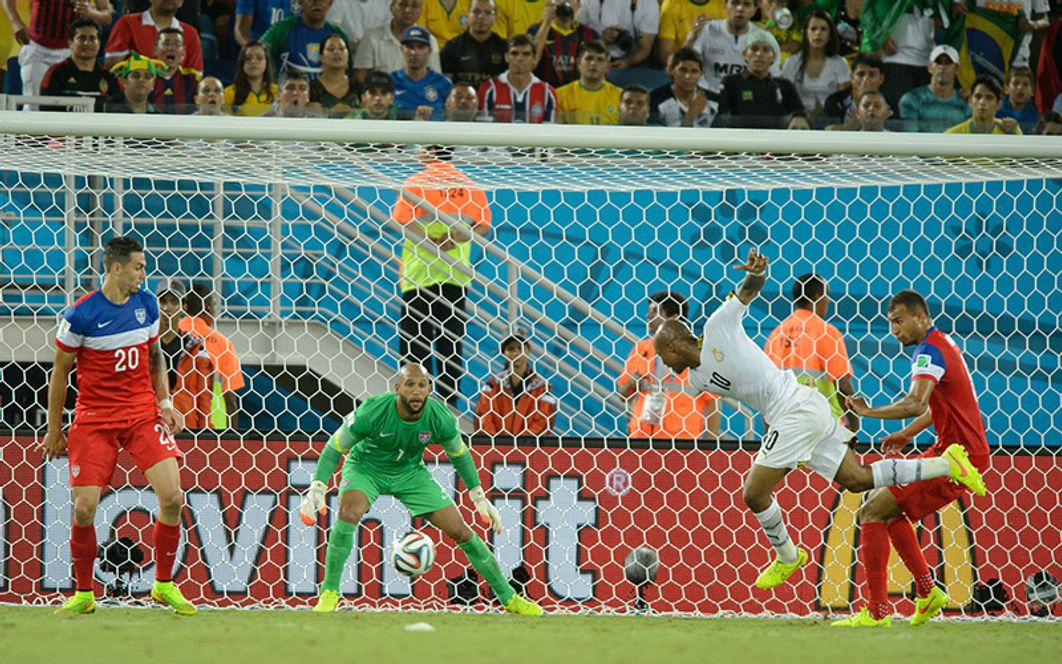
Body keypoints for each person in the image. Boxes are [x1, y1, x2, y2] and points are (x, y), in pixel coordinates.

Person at [652, 250, 985, 593]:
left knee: (754, 493)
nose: (662, 362)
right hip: (801, 409)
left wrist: (756, 274)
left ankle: (787, 556)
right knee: (857, 480)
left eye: (662, 354)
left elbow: (748, 291)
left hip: (794, 409)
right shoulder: (693, 378)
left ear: (675, 345)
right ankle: (946, 466)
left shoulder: (717, 328)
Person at [299, 363, 543, 615]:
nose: (416, 391)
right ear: (397, 388)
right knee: (349, 512)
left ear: (429, 389)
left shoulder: (440, 418)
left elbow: (459, 455)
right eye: (410, 384)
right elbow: (334, 447)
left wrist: (478, 497)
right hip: (366, 468)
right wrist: (317, 486)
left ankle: (508, 598)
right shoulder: (373, 410)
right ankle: (329, 593)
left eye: (422, 385)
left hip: (410, 473)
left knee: (460, 530)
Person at [45, 236, 195, 616]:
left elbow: (154, 356)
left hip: (142, 414)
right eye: (139, 267)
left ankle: (162, 586)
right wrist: (53, 429)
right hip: (94, 419)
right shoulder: (79, 316)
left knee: (174, 498)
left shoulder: (146, 305)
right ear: (116, 268)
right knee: (83, 508)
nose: (143, 275)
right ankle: (83, 594)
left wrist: (164, 403)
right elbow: (60, 374)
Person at [833, 289, 991, 627]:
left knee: (872, 509)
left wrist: (868, 411)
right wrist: (908, 434)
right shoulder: (942, 343)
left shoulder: (929, 350)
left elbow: (916, 403)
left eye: (898, 321)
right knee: (886, 510)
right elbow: (942, 405)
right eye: (890, 323)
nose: (893, 329)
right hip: (951, 450)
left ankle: (877, 613)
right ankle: (927, 590)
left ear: (920, 317)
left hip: (958, 459)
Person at [394, 146, 491, 407]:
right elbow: (483, 225)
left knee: (416, 347)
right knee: (450, 345)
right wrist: (455, 238)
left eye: (422, 148)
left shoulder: (415, 183)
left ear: (430, 152)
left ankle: (415, 405)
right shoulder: (470, 186)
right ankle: (448, 406)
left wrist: (430, 242)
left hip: (418, 276)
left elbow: (403, 221)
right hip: (455, 275)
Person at [619, 291, 720, 440]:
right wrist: (631, 383)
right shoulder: (641, 349)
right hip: (642, 437)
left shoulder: (698, 353)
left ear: (673, 318)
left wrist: (711, 447)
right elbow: (622, 394)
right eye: (649, 311)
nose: (648, 316)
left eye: (655, 311)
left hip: (682, 440)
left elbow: (713, 402)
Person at [764, 274, 858, 434]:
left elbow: (766, 390)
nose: (828, 300)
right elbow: (843, 384)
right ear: (816, 296)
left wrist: (769, 432)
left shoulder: (776, 334)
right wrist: (854, 424)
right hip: (824, 425)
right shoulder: (826, 332)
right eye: (826, 294)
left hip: (784, 426)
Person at [3, 0, 113, 99]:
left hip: (71, 54)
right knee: (34, 103)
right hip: (37, 48)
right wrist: (15, 22)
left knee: (69, 104)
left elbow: (107, 15)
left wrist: (90, 12)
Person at [179, 283, 245, 428]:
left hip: (174, 421)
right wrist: (232, 441)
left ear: (184, 308)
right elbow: (230, 398)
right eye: (214, 304)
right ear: (208, 307)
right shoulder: (222, 343)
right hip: (212, 429)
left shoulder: (171, 335)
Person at [157, 279, 217, 429]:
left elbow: (203, 395)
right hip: (151, 424)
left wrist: (205, 433)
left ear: (183, 307)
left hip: (186, 427)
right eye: (163, 301)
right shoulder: (145, 346)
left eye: (173, 302)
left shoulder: (196, 347)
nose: (168, 307)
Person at [714, 30, 801, 129]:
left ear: (773, 57)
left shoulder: (785, 86)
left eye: (766, 50)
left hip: (776, 142)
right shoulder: (731, 83)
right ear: (745, 55)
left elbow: (800, 117)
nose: (759, 54)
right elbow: (722, 119)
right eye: (754, 49)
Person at [684, 0, 774, 96]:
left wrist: (771, 21)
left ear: (754, 10)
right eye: (735, 3)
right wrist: (690, 41)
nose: (740, 9)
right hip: (708, 97)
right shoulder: (706, 30)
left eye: (747, 4)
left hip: (746, 98)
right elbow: (683, 63)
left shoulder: (761, 35)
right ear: (725, 5)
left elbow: (772, 75)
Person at [475, 335, 556, 435]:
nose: (516, 353)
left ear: (528, 351)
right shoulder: (492, 385)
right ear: (504, 353)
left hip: (529, 447)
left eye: (520, 348)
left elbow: (544, 420)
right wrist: (496, 442)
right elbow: (483, 414)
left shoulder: (542, 387)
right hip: (497, 446)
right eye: (510, 349)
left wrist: (523, 443)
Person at [39, 18, 119, 111]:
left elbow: (117, 110)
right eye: (82, 38)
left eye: (92, 38)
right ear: (70, 43)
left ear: (99, 44)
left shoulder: (109, 76)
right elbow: (46, 108)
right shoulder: (56, 73)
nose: (87, 43)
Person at [354, 0, 442, 83]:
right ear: (392, 7)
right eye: (403, 4)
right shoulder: (371, 38)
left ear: (420, 10)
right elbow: (361, 76)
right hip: (382, 94)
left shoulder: (429, 40)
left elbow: (435, 78)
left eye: (415, 6)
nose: (408, 10)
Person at [779, 10, 848, 117]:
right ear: (806, 33)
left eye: (823, 29)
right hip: (798, 119)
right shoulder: (792, 61)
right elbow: (786, 97)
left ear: (830, 35)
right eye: (813, 29)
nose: (818, 33)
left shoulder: (839, 63)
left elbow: (843, 100)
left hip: (830, 119)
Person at [478, 33, 557, 123]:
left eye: (526, 54)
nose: (519, 58)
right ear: (506, 57)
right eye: (514, 53)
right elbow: (486, 130)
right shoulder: (489, 89)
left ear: (534, 59)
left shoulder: (547, 93)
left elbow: (548, 132)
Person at [260, 0, 351, 79]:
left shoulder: (339, 35)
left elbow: (349, 71)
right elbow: (256, 54)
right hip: (287, 95)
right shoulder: (283, 29)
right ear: (300, 1)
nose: (316, 3)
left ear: (330, 2)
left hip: (326, 97)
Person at [104, 0, 202, 72]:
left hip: (177, 98)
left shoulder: (191, 34)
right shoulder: (127, 23)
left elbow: (195, 76)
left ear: (181, 2)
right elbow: (113, 69)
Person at [898, 45, 969, 133]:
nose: (942, 67)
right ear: (930, 67)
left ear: (957, 69)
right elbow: (911, 138)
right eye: (938, 62)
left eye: (948, 62)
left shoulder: (965, 102)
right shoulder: (912, 99)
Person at [529, 0, 599, 88]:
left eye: (569, 0)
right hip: (544, 91)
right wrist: (546, 23)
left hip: (577, 93)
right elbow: (530, 62)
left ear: (578, 5)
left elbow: (598, 70)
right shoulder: (536, 30)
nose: (564, 3)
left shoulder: (589, 35)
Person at [439, 0, 508, 89]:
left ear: (494, 18)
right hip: (463, 100)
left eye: (487, 13)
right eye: (476, 11)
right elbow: (446, 85)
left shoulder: (504, 47)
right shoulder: (452, 47)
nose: (481, 16)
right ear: (468, 15)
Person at [392, 25, 453, 120]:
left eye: (420, 47)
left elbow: (451, 117)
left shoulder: (444, 84)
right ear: (402, 49)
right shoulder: (391, 81)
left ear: (429, 51)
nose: (414, 52)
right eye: (410, 47)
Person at [556, 39, 621, 124]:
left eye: (600, 59)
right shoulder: (560, 96)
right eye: (589, 58)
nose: (593, 63)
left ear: (608, 66)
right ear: (578, 63)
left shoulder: (620, 96)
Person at [578, 0, 659, 69]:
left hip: (632, 61)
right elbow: (577, 34)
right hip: (593, 56)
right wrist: (601, 40)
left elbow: (644, 48)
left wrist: (627, 62)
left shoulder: (649, 4)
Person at [649, 47, 715, 127]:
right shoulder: (655, 99)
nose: (688, 76)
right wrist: (691, 114)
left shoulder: (714, 100)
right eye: (683, 70)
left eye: (694, 71)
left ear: (701, 74)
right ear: (672, 70)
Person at [822, 52, 886, 127]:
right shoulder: (834, 102)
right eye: (861, 74)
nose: (865, 79)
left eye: (871, 74)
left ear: (881, 79)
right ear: (852, 77)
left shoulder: (889, 104)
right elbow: (829, 131)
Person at [656, 0, 725, 68]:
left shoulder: (726, 4)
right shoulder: (671, 4)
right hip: (682, 69)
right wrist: (691, 40)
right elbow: (665, 58)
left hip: (718, 67)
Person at [945, 74, 1021, 135]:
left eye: (989, 98)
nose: (982, 102)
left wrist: (1013, 135)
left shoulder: (1012, 132)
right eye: (978, 97)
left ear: (999, 104)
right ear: (970, 100)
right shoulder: (952, 135)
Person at [151, 27, 202, 114]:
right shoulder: (146, 77)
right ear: (155, 49)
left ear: (183, 53)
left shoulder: (193, 79)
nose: (171, 48)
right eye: (166, 44)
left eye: (177, 44)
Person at [308, 32, 359, 116]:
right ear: (321, 57)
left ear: (348, 56)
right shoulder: (312, 87)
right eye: (331, 49)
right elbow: (315, 120)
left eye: (341, 49)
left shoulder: (357, 86)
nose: (337, 52)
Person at [224, 40, 278, 116]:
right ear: (242, 63)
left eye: (259, 58)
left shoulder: (278, 93)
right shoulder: (228, 93)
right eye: (248, 58)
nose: (253, 61)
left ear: (267, 62)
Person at [325, 0, 391, 52]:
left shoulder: (387, 2)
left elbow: (390, 37)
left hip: (379, 55)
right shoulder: (338, 2)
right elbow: (333, 35)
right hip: (349, 55)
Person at [997, 66, 1039, 134]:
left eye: (1025, 84)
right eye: (1016, 83)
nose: (1020, 88)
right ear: (1006, 89)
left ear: (1032, 91)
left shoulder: (1037, 117)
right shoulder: (996, 110)